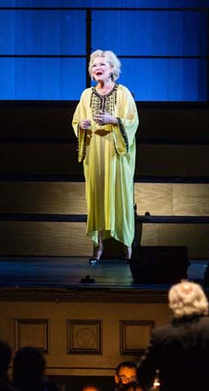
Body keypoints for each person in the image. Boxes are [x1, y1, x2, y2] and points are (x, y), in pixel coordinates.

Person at [72, 50, 139, 264]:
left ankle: (128, 247)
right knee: (97, 198)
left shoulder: (123, 93)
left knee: (121, 197)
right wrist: (81, 126)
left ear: (112, 69)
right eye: (94, 65)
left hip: (115, 151)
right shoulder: (86, 95)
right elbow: (77, 121)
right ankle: (98, 246)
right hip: (95, 151)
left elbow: (132, 122)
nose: (97, 68)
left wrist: (114, 120)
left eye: (102, 64)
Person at [137, 280, 209, 391]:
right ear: (202, 301)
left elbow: (144, 372)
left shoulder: (161, 335)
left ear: (173, 303)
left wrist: (149, 386)